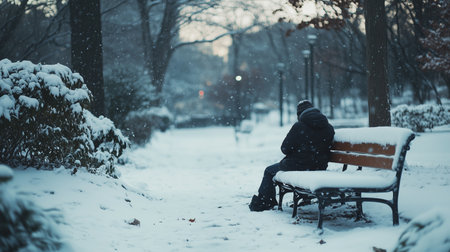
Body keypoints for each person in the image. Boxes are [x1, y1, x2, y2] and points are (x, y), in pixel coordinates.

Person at [249, 100, 335, 212]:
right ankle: (305, 198)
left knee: (269, 171)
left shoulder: (299, 126)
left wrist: (297, 153)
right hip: (320, 166)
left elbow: (285, 149)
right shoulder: (328, 127)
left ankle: (265, 202)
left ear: (299, 114)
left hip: (298, 166)